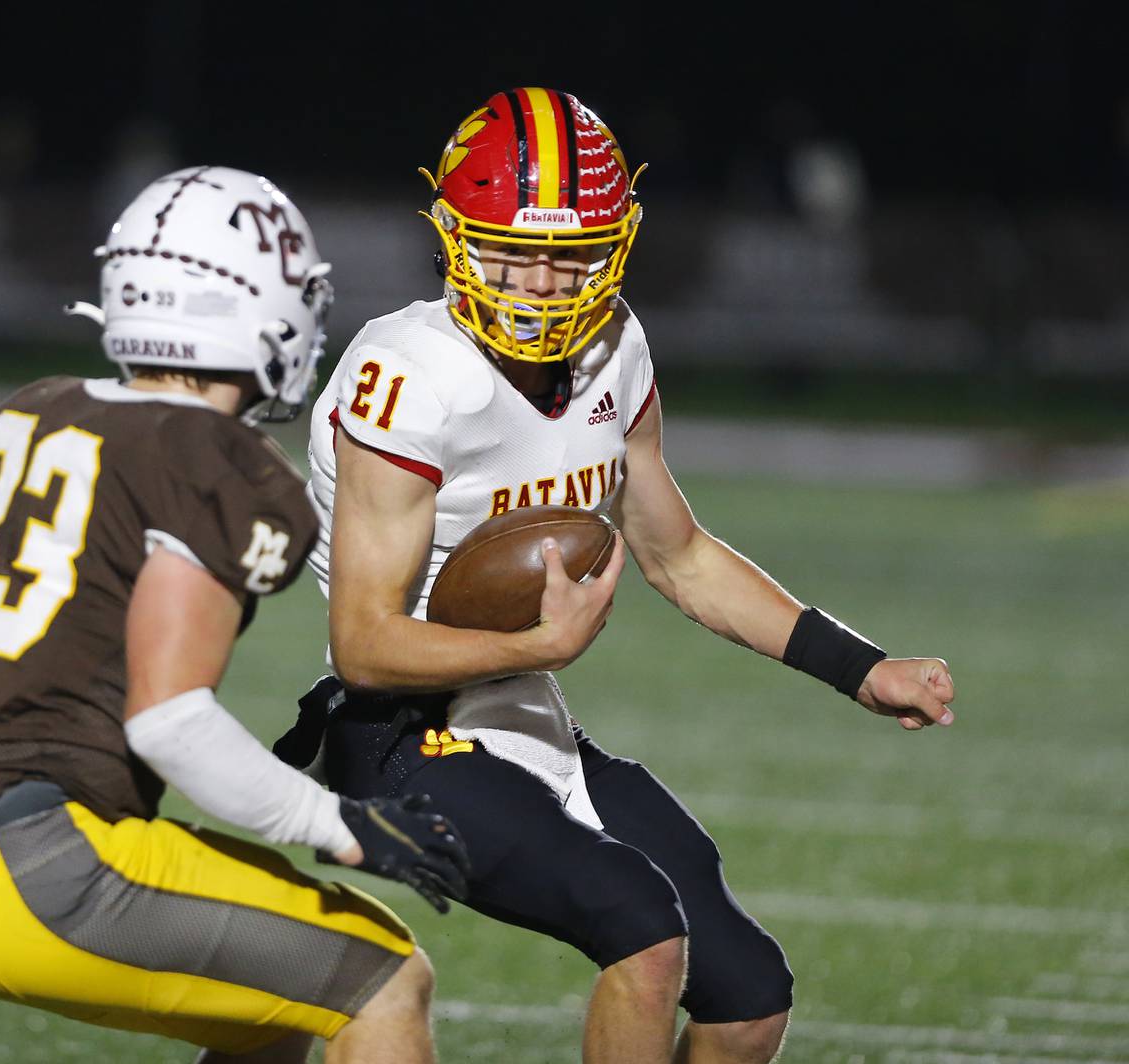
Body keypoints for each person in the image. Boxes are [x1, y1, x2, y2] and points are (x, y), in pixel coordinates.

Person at [282, 90, 957, 1064]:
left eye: (573, 253)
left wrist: (860, 666)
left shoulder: (615, 346)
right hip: (398, 731)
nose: (543, 282)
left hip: (518, 707)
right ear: (454, 236)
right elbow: (366, 640)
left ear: (619, 243)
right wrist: (538, 644)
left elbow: (678, 553)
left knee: (749, 999)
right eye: (512, 249)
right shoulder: (407, 374)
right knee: (643, 927)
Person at [0, 166, 469, 1064]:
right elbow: (170, 721)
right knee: (386, 977)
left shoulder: (36, 410)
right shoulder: (214, 457)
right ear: (259, 306)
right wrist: (338, 824)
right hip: (42, 859)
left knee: (269, 1007)